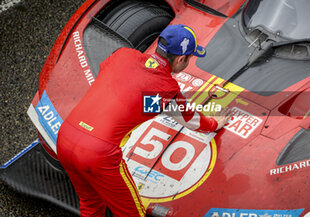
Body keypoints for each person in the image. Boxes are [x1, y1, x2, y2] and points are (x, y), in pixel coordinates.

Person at [56, 24, 232, 217]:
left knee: (90, 204)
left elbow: (115, 82)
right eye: (190, 58)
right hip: (98, 154)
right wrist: (215, 123)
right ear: (182, 59)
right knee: (131, 213)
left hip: (65, 137)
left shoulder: (123, 54)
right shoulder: (166, 87)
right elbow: (192, 121)